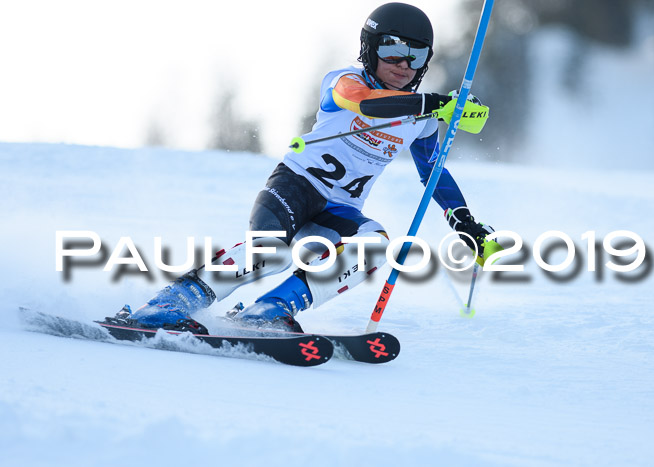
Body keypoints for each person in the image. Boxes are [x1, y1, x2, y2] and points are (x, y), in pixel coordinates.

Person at [112, 2, 493, 333]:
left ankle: (270, 311)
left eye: (417, 54)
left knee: (374, 244)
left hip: (338, 210)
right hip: (294, 187)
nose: (404, 64)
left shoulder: (423, 118)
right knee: (271, 252)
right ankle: (167, 305)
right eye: (392, 50)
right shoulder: (345, 81)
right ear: (370, 49)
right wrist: (433, 102)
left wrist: (465, 223)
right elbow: (365, 103)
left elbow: (434, 173)